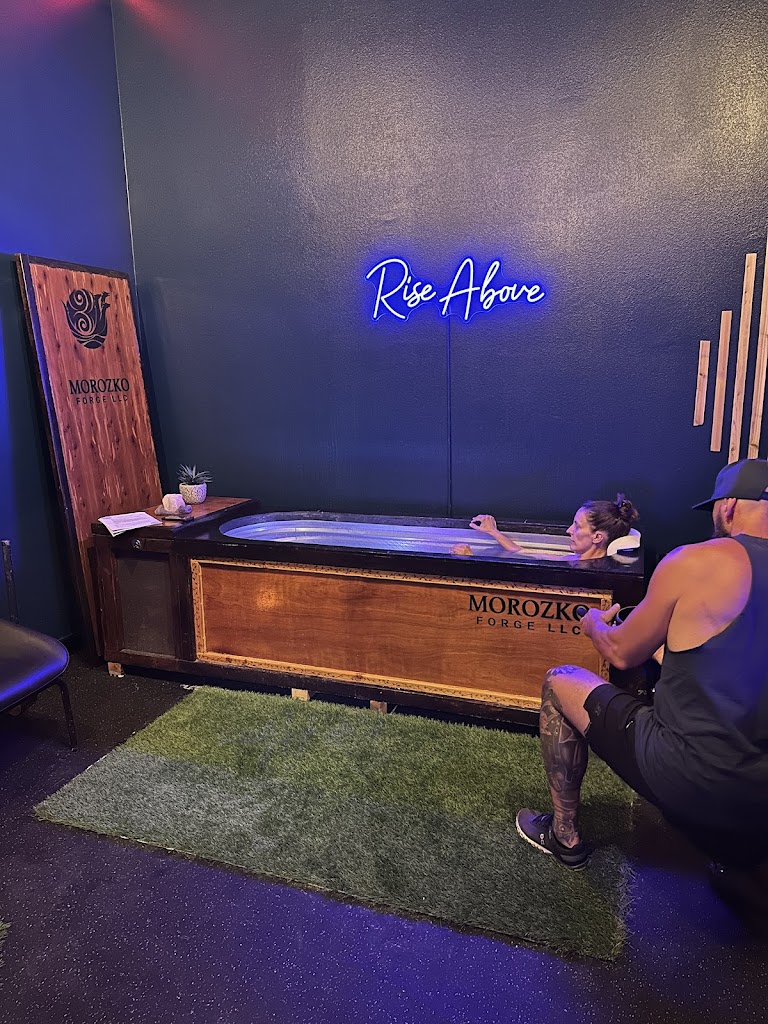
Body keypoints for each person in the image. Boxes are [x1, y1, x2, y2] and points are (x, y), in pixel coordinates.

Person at [515, 459, 768, 929]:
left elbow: (619, 651)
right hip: (759, 797)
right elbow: (722, 664)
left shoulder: (696, 560)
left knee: (559, 680)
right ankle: (741, 859)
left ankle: (564, 837)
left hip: (689, 775)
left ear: (729, 506)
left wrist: (594, 623)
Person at [468, 495, 638, 560]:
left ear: (597, 537)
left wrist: (469, 560)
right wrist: (493, 532)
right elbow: (522, 553)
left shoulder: (579, 571)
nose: (569, 531)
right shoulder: (575, 560)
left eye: (577, 526)